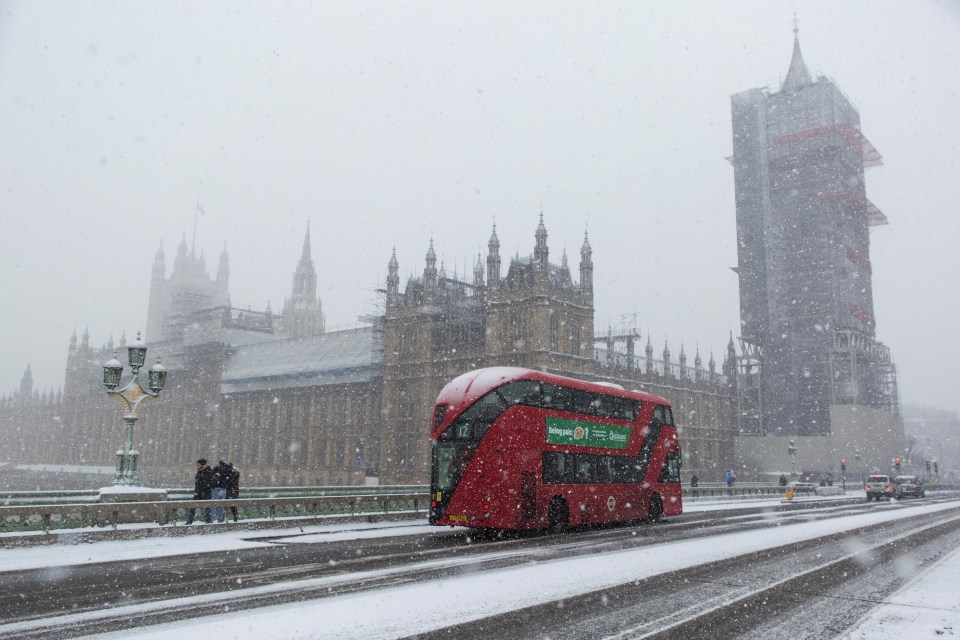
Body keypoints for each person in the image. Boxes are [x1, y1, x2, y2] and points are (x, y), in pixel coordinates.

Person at [186, 458, 214, 524]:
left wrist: (200, 491)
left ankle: (208, 522)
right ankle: (189, 521)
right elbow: (199, 483)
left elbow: (206, 483)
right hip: (198, 493)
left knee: (207, 508)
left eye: (198, 464)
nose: (197, 465)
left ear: (202, 464)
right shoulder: (200, 471)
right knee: (192, 506)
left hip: (205, 493)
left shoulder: (208, 471)